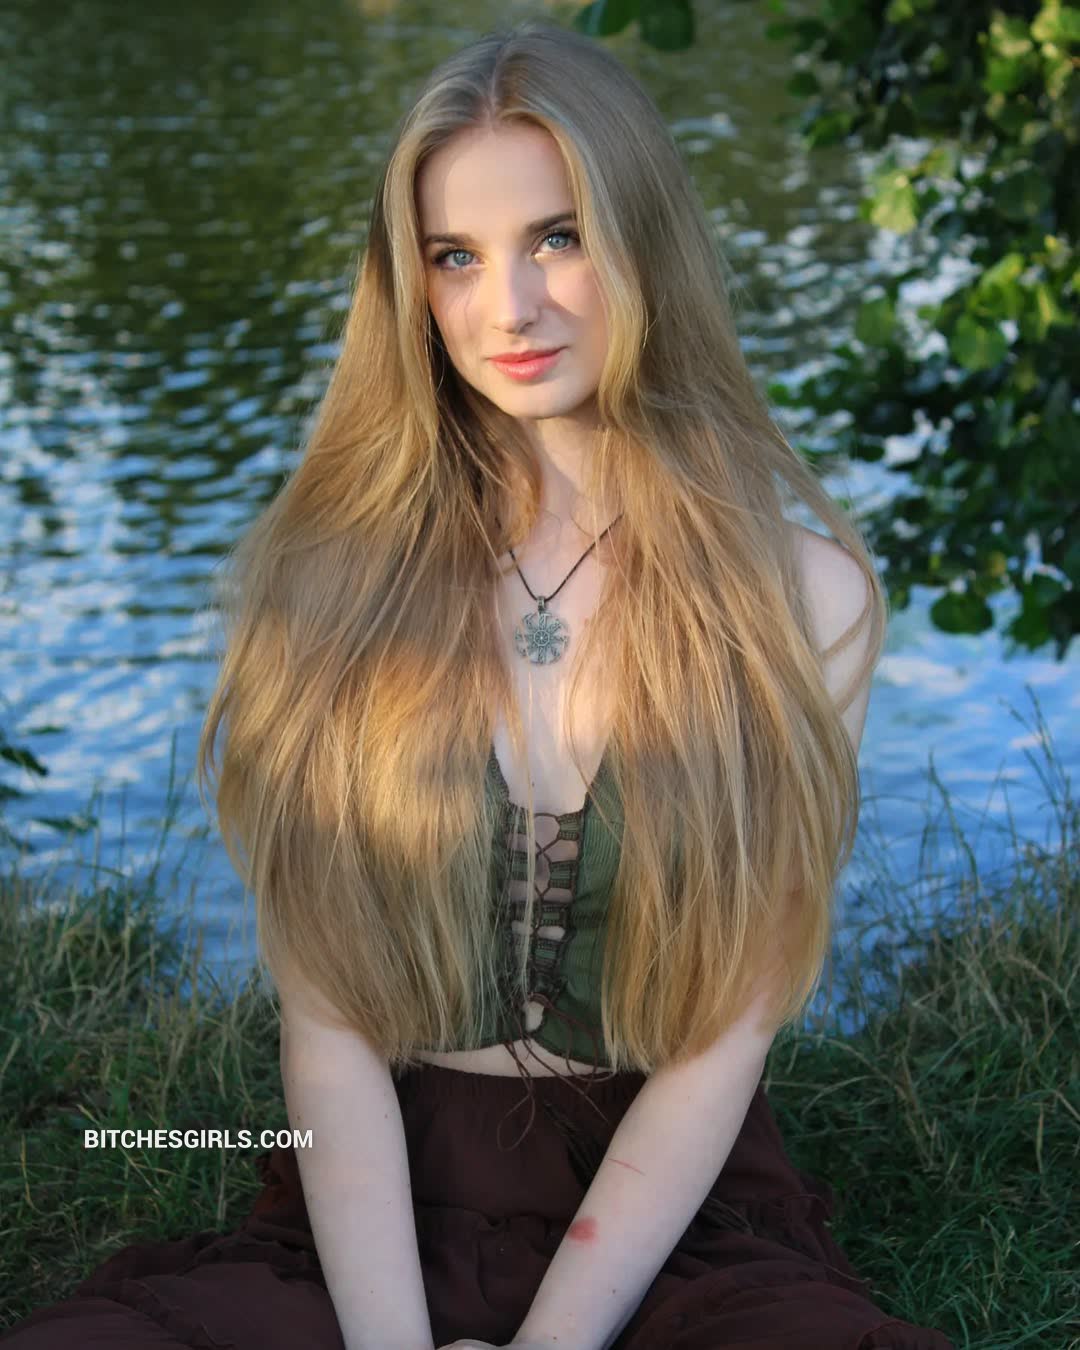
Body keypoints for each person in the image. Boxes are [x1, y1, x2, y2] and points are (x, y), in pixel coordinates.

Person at [0, 19, 956, 1350]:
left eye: (558, 238)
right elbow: (328, 1025)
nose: (508, 308)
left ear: (647, 242)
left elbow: (724, 1039)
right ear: (412, 285)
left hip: (670, 1214)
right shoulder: (329, 587)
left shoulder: (804, 604)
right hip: (374, 1203)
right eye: (455, 255)